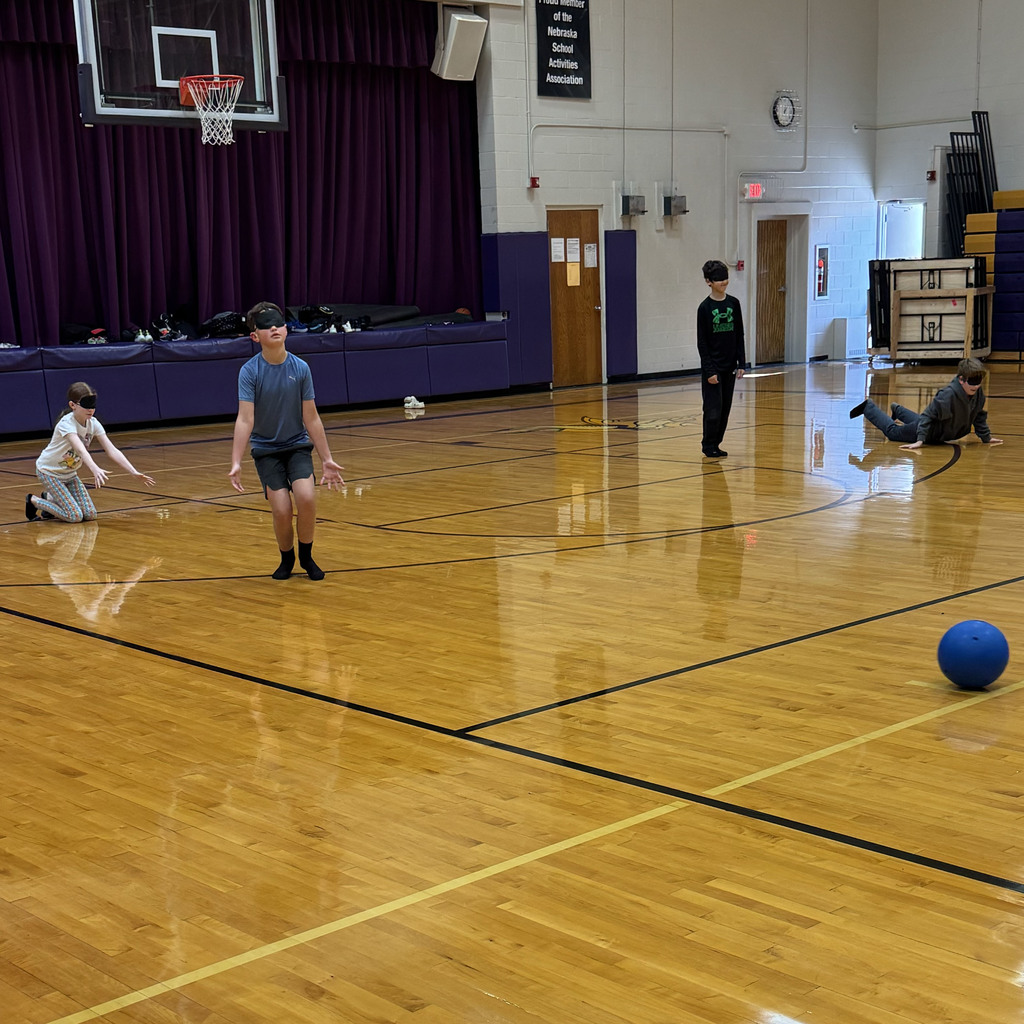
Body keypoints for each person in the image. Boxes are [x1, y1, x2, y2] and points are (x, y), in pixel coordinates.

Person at [229, 301, 345, 580]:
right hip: (266, 450)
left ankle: (307, 556)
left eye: (278, 323)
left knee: (306, 497)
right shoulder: (250, 371)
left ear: (286, 329)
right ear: (254, 336)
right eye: (266, 325)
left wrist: (327, 459)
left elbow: (311, 417)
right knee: (281, 510)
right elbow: (245, 419)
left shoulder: (300, 368)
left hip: (297, 446)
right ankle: (287, 558)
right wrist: (236, 461)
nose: (274, 328)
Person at [26, 381, 156, 523]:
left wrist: (133, 472)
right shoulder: (66, 424)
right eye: (86, 405)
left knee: (90, 514)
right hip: (49, 472)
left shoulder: (93, 423)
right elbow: (80, 450)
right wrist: (95, 469)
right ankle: (34, 501)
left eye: (93, 406)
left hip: (69, 474)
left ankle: (50, 498)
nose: (91, 410)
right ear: (73, 405)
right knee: (74, 516)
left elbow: (112, 450)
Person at [849, 357, 1003, 450]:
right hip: (929, 433)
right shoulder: (947, 395)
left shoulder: (977, 394)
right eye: (972, 381)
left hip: (937, 432)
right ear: (961, 379)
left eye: (979, 381)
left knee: (920, 421)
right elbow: (928, 416)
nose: (976, 386)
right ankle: (868, 408)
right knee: (893, 433)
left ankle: (898, 410)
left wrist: (986, 437)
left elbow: (978, 416)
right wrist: (920, 440)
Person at [696, 259, 746, 458]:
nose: (724, 282)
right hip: (713, 368)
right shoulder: (704, 308)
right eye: (719, 280)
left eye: (726, 278)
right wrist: (709, 371)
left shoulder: (734, 303)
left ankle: (717, 443)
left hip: (729, 366)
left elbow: (739, 334)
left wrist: (741, 362)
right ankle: (708, 444)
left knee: (725, 408)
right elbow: (702, 343)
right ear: (708, 282)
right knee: (713, 409)